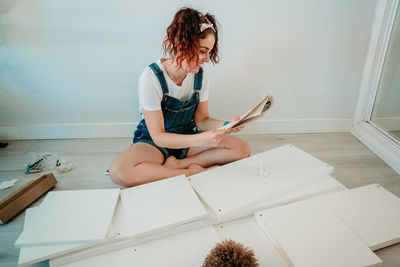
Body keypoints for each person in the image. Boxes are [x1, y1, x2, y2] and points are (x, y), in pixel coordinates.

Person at [109, 7, 250, 187]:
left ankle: (177, 165)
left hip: (187, 140)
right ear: (182, 45)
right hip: (153, 143)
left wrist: (224, 126)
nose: (207, 59)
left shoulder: (200, 75)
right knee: (119, 171)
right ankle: (189, 172)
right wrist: (200, 139)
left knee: (242, 149)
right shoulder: (151, 77)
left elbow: (202, 119)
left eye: (209, 52)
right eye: (202, 51)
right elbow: (159, 136)